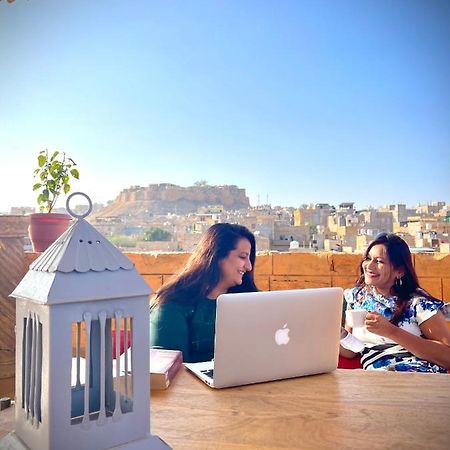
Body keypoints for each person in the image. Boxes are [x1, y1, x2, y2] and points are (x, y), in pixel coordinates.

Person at [340, 232, 450, 372]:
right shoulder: (356, 298)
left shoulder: (418, 303)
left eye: (379, 261)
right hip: (377, 380)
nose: (369, 266)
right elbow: (352, 351)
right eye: (368, 258)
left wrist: (391, 331)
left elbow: (447, 357)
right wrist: (338, 335)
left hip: (417, 375)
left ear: (399, 271)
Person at [150, 223, 258, 363]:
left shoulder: (252, 300)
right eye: (243, 257)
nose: (249, 267)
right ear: (217, 255)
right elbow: (170, 370)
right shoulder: (172, 305)